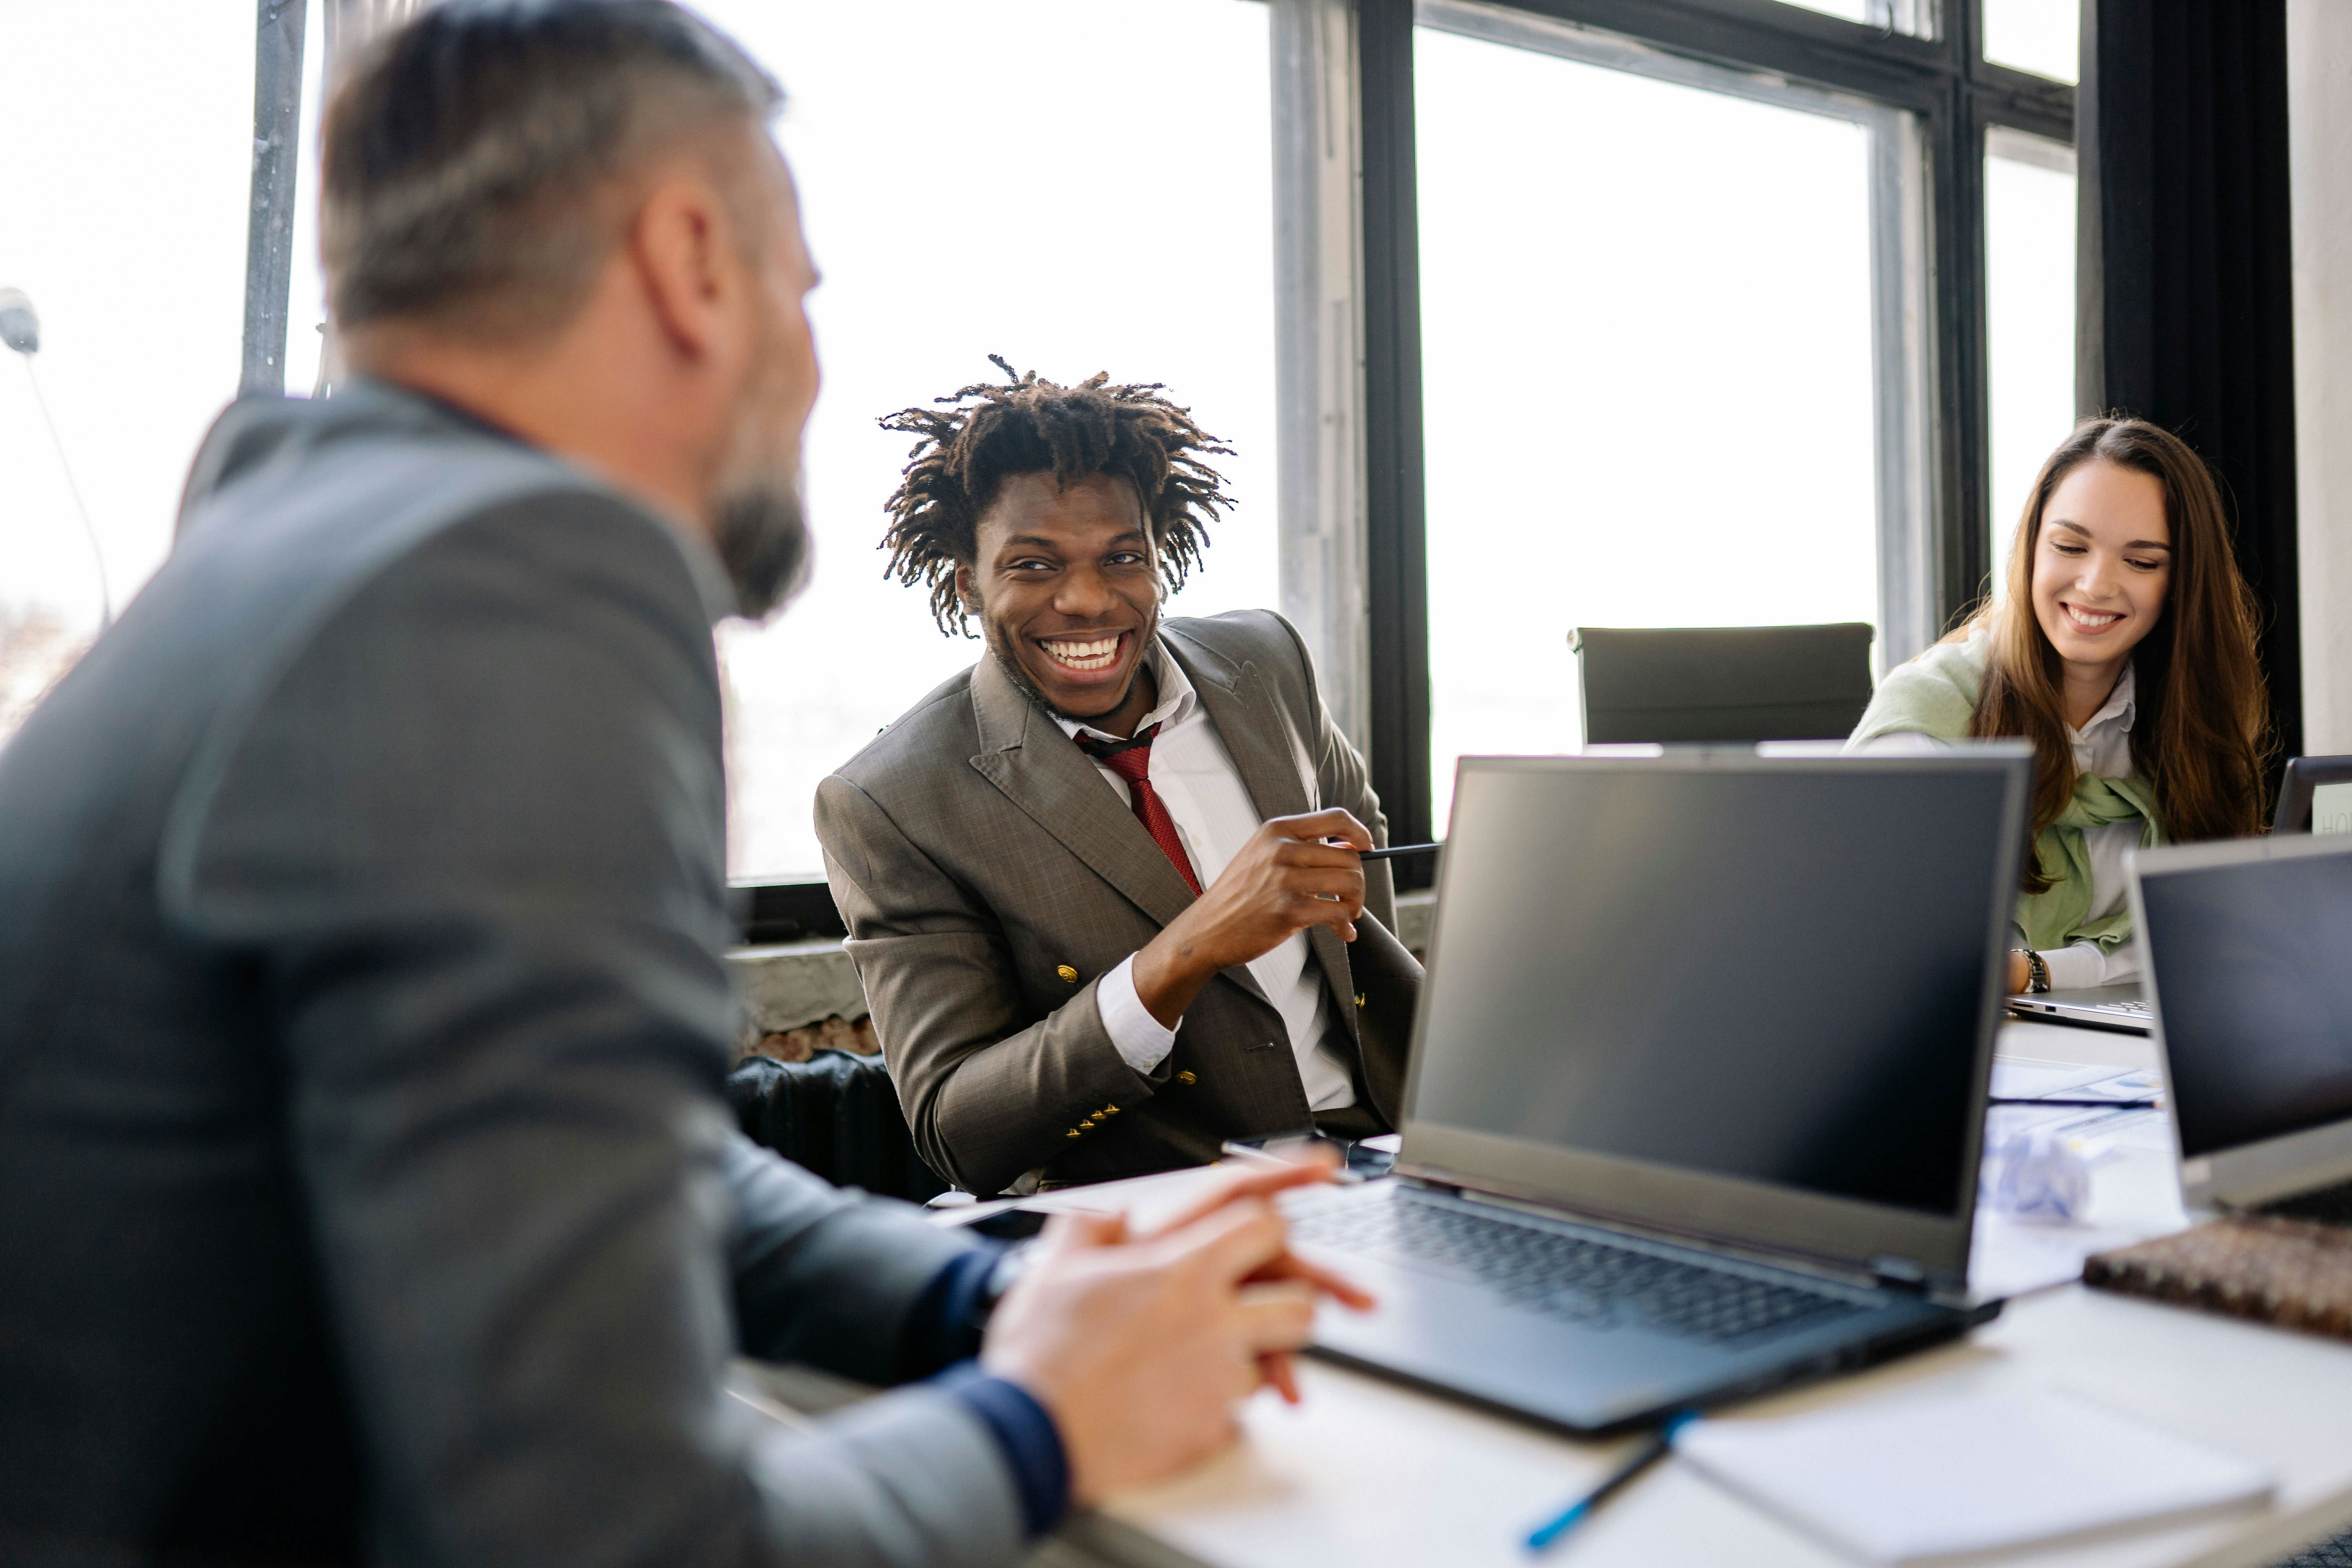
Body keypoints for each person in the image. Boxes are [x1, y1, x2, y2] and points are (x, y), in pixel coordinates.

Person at [0, 4, 1368, 1564]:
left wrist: (978, 1292)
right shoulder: (509, 584)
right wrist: (1048, 1414)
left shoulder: (284, 559)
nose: (803, 360)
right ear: (691, 258)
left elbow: (624, 1172)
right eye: (803, 291)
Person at [816, 364, 1423, 1198]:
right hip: (1155, 1220)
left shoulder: (1269, 662)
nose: (1088, 600)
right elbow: (957, 1131)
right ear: (968, 581)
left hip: (1390, 1170)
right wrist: (1186, 949)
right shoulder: (893, 802)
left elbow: (1366, 918)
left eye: (1122, 557)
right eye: (1034, 565)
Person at [1847, 416, 2271, 994]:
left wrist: (2036, 972)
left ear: (2182, 583)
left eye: (2142, 562)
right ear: (2030, 549)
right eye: (2070, 546)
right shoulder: (1929, 718)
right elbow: (1886, 945)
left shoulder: (2189, 721)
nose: (2097, 584)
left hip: (2133, 1043)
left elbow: (2213, 929)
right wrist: (2045, 975)